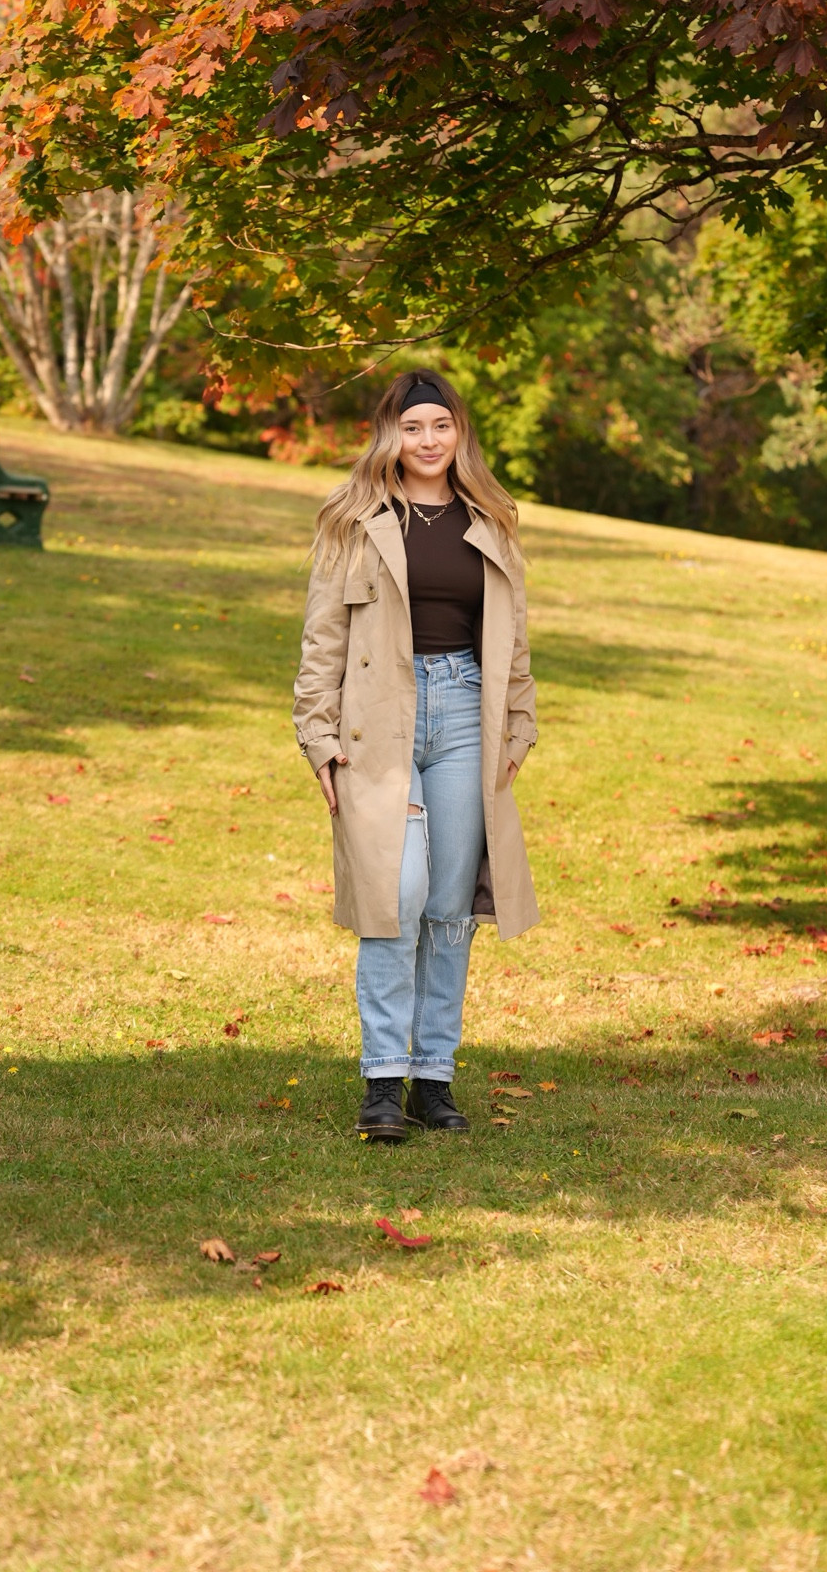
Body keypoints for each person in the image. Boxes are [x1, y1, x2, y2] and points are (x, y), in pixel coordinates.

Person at [293, 370, 539, 1141]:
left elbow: (515, 638)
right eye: (412, 427)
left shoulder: (491, 521)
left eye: (440, 426)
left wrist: (519, 727)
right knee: (394, 899)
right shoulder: (354, 519)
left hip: (467, 714)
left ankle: (434, 1080)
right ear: (389, 436)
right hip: (379, 722)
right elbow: (321, 640)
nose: (427, 441)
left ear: (458, 433)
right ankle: (381, 1082)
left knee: (449, 909)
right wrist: (319, 739)